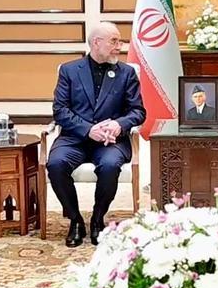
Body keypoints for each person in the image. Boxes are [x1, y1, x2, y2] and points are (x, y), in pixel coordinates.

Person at [47, 22, 145, 247]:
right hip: (75, 138)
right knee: (56, 163)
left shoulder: (127, 73)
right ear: (96, 43)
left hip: (111, 141)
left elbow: (138, 111)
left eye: (119, 41)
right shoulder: (70, 70)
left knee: (110, 165)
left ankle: (98, 219)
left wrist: (119, 125)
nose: (119, 46)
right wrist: (88, 130)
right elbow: (60, 110)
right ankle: (75, 220)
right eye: (114, 41)